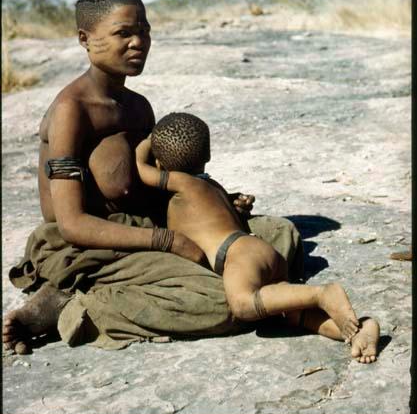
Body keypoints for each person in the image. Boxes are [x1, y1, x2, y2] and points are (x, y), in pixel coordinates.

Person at [3, 0, 304, 354]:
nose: (138, 42)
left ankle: (147, 284)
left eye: (144, 30)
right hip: (87, 243)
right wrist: (170, 241)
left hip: (145, 225)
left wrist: (217, 203)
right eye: (123, 33)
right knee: (225, 301)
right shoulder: (72, 111)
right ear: (85, 38)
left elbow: (156, 184)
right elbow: (70, 223)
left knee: (278, 233)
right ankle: (75, 305)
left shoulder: (138, 107)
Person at [136, 112, 380, 364]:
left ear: (160, 164)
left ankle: (321, 294)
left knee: (242, 305)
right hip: (256, 248)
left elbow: (141, 170)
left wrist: (146, 141)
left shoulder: (180, 183)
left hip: (236, 256)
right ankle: (359, 331)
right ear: (207, 156)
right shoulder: (212, 186)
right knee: (290, 315)